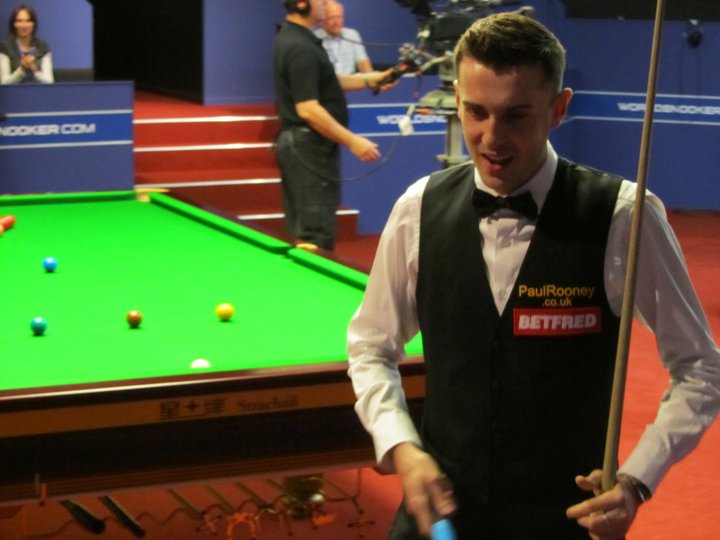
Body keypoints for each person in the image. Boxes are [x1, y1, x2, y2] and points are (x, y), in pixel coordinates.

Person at [347, 12, 720, 540]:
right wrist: (402, 448)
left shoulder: (624, 216)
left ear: (559, 108)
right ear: (457, 99)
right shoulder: (417, 208)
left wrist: (637, 479)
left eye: (515, 115)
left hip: (565, 522)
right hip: (439, 518)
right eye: (476, 112)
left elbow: (702, 367)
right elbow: (370, 346)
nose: (491, 137)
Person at [274, 0, 392, 251]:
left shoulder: (300, 39)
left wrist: (372, 80)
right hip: (308, 148)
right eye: (321, 0)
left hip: (307, 146)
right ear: (302, 4)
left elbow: (327, 81)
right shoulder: (300, 47)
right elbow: (308, 109)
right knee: (314, 234)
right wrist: (352, 140)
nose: (326, 6)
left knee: (309, 229)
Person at [314, 1, 373, 75]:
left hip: (350, 80)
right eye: (331, 18)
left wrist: (373, 78)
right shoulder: (314, 38)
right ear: (322, 21)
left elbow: (364, 65)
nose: (336, 22)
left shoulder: (351, 35)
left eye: (339, 17)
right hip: (326, 81)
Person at [0, 4, 54, 84]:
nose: (24, 26)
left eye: (28, 21)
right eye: (19, 21)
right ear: (14, 24)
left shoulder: (42, 47)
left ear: (33, 24)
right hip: (15, 92)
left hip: (38, 91)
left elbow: (49, 82)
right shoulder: (5, 48)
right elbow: (4, 83)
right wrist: (21, 70)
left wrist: (35, 70)